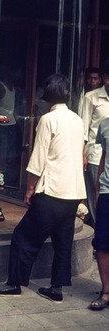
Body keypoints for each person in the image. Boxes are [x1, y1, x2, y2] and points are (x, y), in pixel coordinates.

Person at [0, 74, 86, 303]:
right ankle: (56, 287)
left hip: (51, 189)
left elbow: (39, 157)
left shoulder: (48, 119)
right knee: (63, 239)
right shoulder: (76, 119)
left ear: (47, 95)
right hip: (72, 191)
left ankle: (14, 283)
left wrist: (30, 189)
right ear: (67, 95)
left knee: (24, 237)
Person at [81, 66, 109, 229]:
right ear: (104, 78)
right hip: (96, 155)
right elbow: (84, 128)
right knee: (95, 196)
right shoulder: (91, 97)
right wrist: (82, 154)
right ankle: (97, 233)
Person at [89, 116, 109, 310]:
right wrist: (97, 188)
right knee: (102, 244)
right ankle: (106, 292)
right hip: (106, 191)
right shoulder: (105, 124)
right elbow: (104, 156)